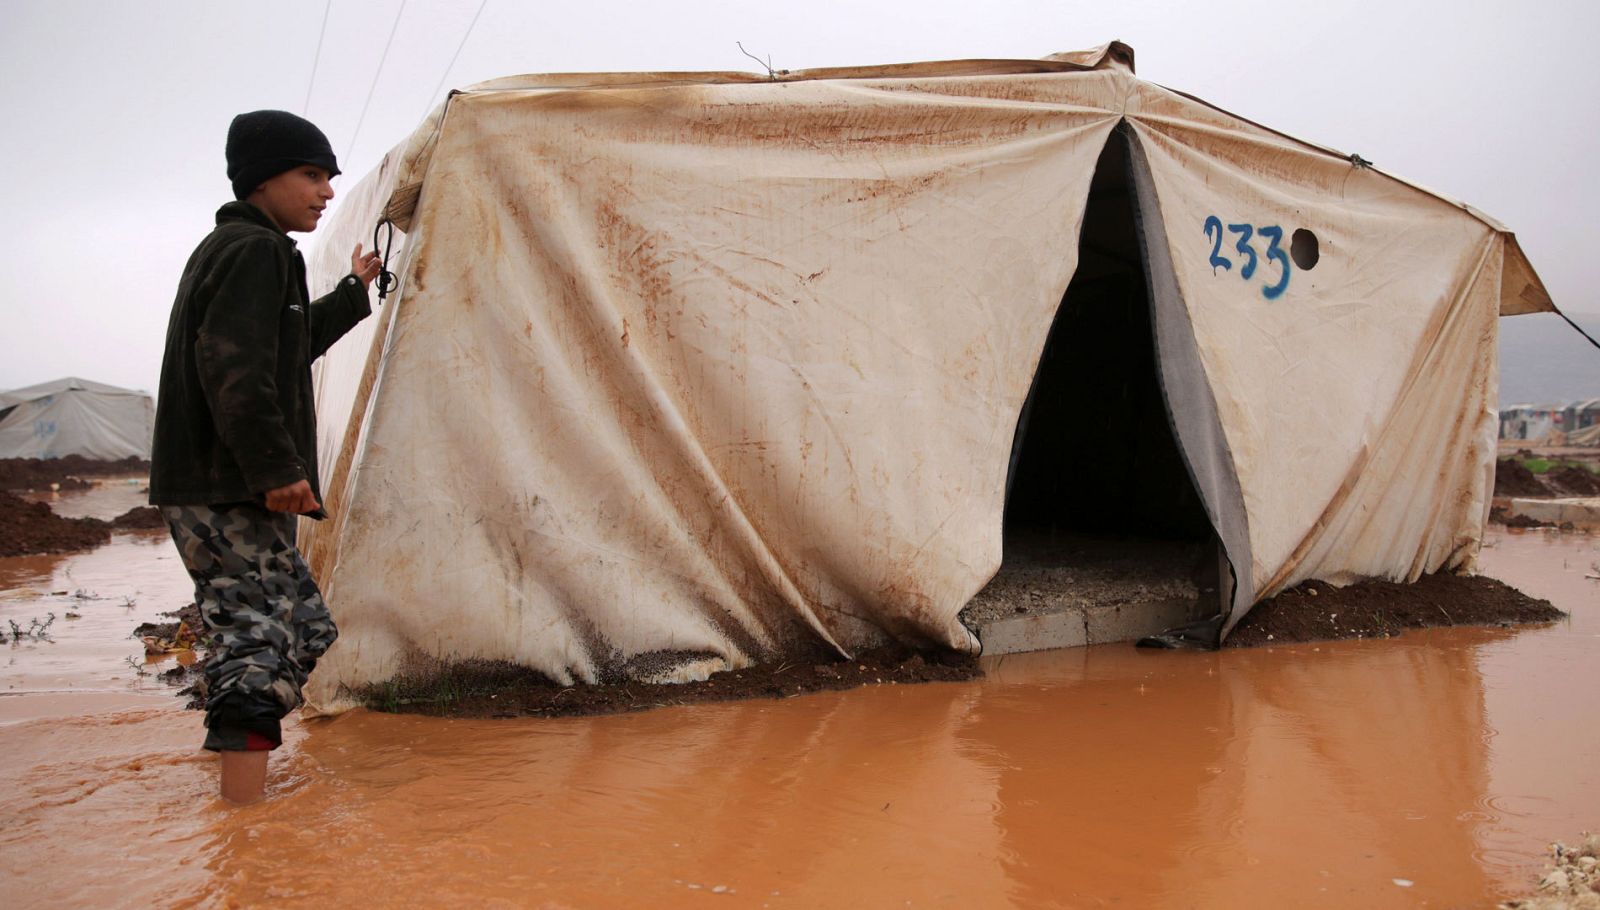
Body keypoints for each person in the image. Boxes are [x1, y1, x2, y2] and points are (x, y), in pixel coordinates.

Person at [149, 110, 382, 804]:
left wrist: (353, 291)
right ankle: (241, 821)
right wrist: (277, 471)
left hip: (228, 482)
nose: (327, 192)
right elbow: (236, 370)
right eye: (312, 175)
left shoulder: (244, 251)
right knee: (257, 642)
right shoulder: (256, 252)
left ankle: (225, 754)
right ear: (263, 179)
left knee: (305, 627)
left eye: (331, 179)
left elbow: (281, 349)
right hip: (230, 486)